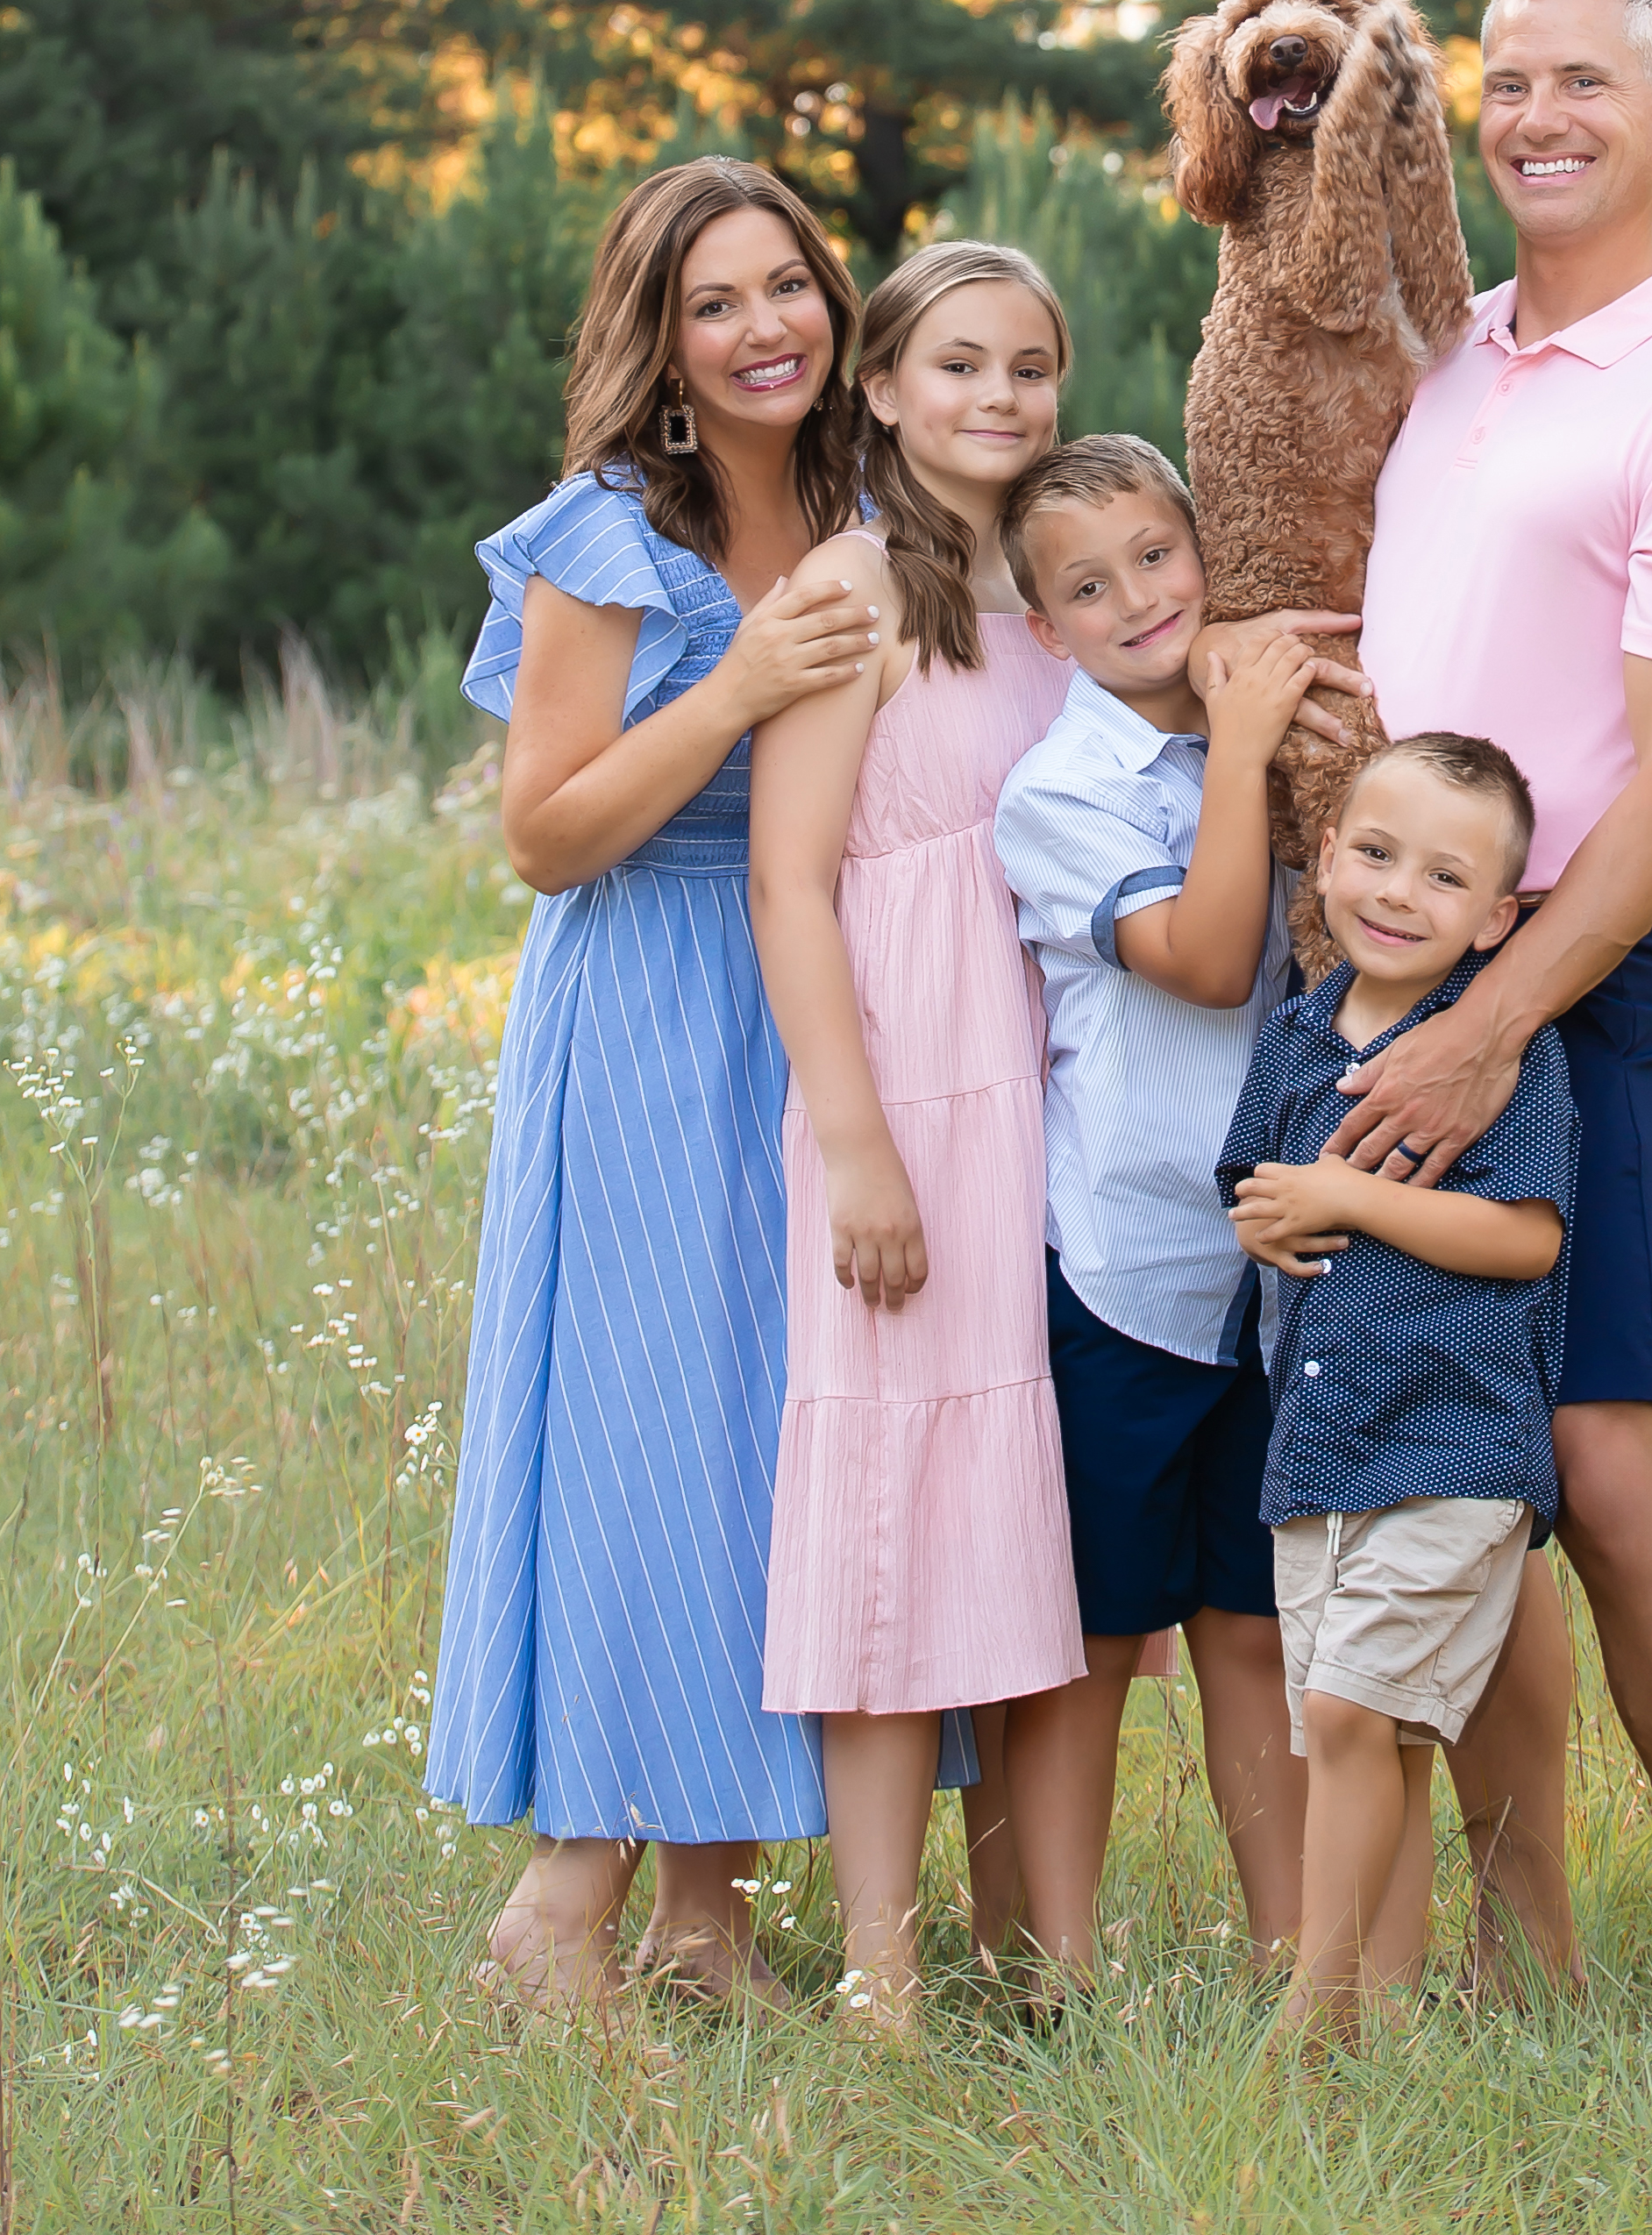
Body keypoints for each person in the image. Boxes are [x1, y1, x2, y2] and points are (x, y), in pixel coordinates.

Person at [1323, 0, 1652, 2007]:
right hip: (1385, 969)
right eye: (1505, 80)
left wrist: (1490, 1024)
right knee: (1459, 1468)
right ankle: (1520, 1956)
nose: (1535, 116)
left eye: (1582, 83)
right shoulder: (1456, 361)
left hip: (1549, 984)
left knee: (1607, 1466)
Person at [426, 158, 887, 2014]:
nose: (765, 325)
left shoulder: (866, 501)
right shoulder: (606, 531)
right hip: (640, 1005)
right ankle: (558, 1911)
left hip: (816, 998)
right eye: (717, 303)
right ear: (660, 341)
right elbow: (542, 835)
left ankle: (709, 1910)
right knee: (643, 1436)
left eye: (788, 285)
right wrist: (732, 685)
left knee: (765, 1439)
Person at [749, 245, 1089, 2032]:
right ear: (876, 384)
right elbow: (788, 885)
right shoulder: (852, 586)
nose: (1000, 399)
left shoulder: (1063, 590)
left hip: (1047, 1097)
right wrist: (855, 1142)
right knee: (887, 1505)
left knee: (1007, 1509)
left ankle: (1020, 1951)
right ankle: (879, 1973)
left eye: (1030, 367)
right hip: (899, 1090)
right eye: (958, 363)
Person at [988, 434, 1321, 1981]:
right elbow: (1198, 954)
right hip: (1123, 1270)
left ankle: (1292, 1956)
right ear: (1043, 627)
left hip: (1277, 1273)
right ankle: (1054, 1971)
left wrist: (1258, 733)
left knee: (1251, 1625)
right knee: (1093, 1638)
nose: (1135, 598)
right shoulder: (1059, 791)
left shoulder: (1270, 728)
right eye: (1086, 585)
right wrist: (1241, 752)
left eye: (1155, 554)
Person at [1218, 734, 1576, 2047]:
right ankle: (1382, 2008)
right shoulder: (1296, 1038)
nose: (1394, 890)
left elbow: (1528, 1236)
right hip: (1318, 1451)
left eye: (1441, 875)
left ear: (1497, 918)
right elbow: (1255, 1189)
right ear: (1322, 861)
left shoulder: (1502, 1058)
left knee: (1346, 1710)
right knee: (1375, 1742)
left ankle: (1307, 2014)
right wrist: (1269, 1221)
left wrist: (1354, 1195)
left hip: (1451, 1448)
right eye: (1373, 853)